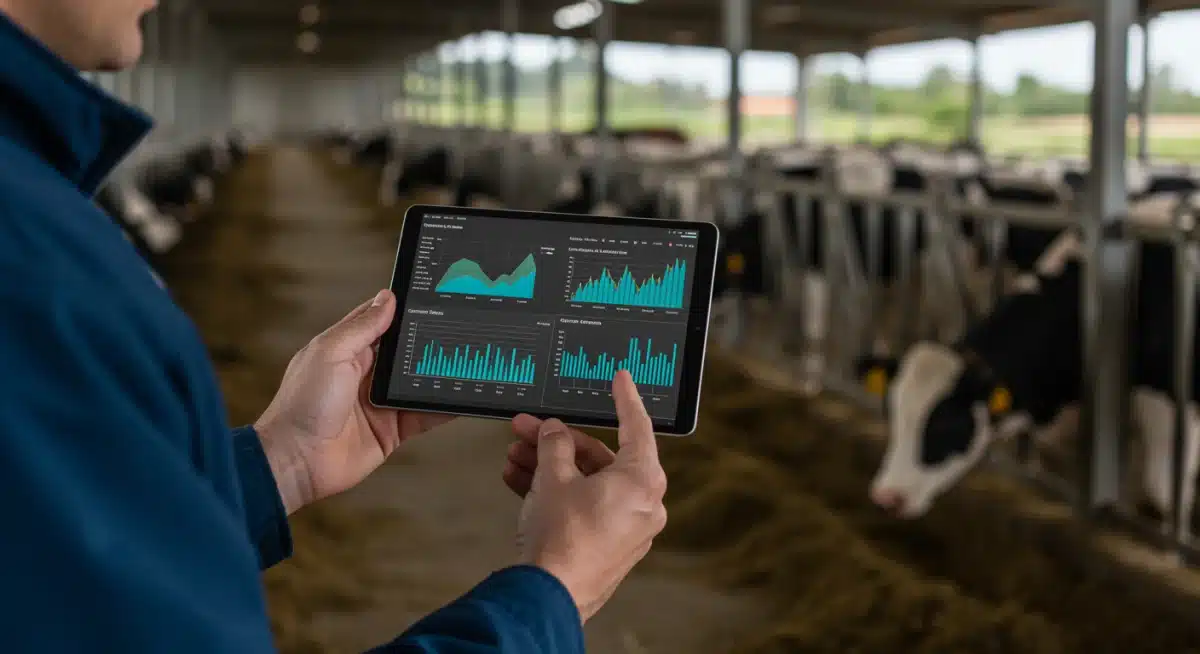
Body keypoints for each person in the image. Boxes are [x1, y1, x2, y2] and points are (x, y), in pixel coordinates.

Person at [0, 0, 668, 651]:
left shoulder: (40, 221)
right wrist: (555, 592)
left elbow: (53, 553)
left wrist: (280, 463)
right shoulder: (34, 268)